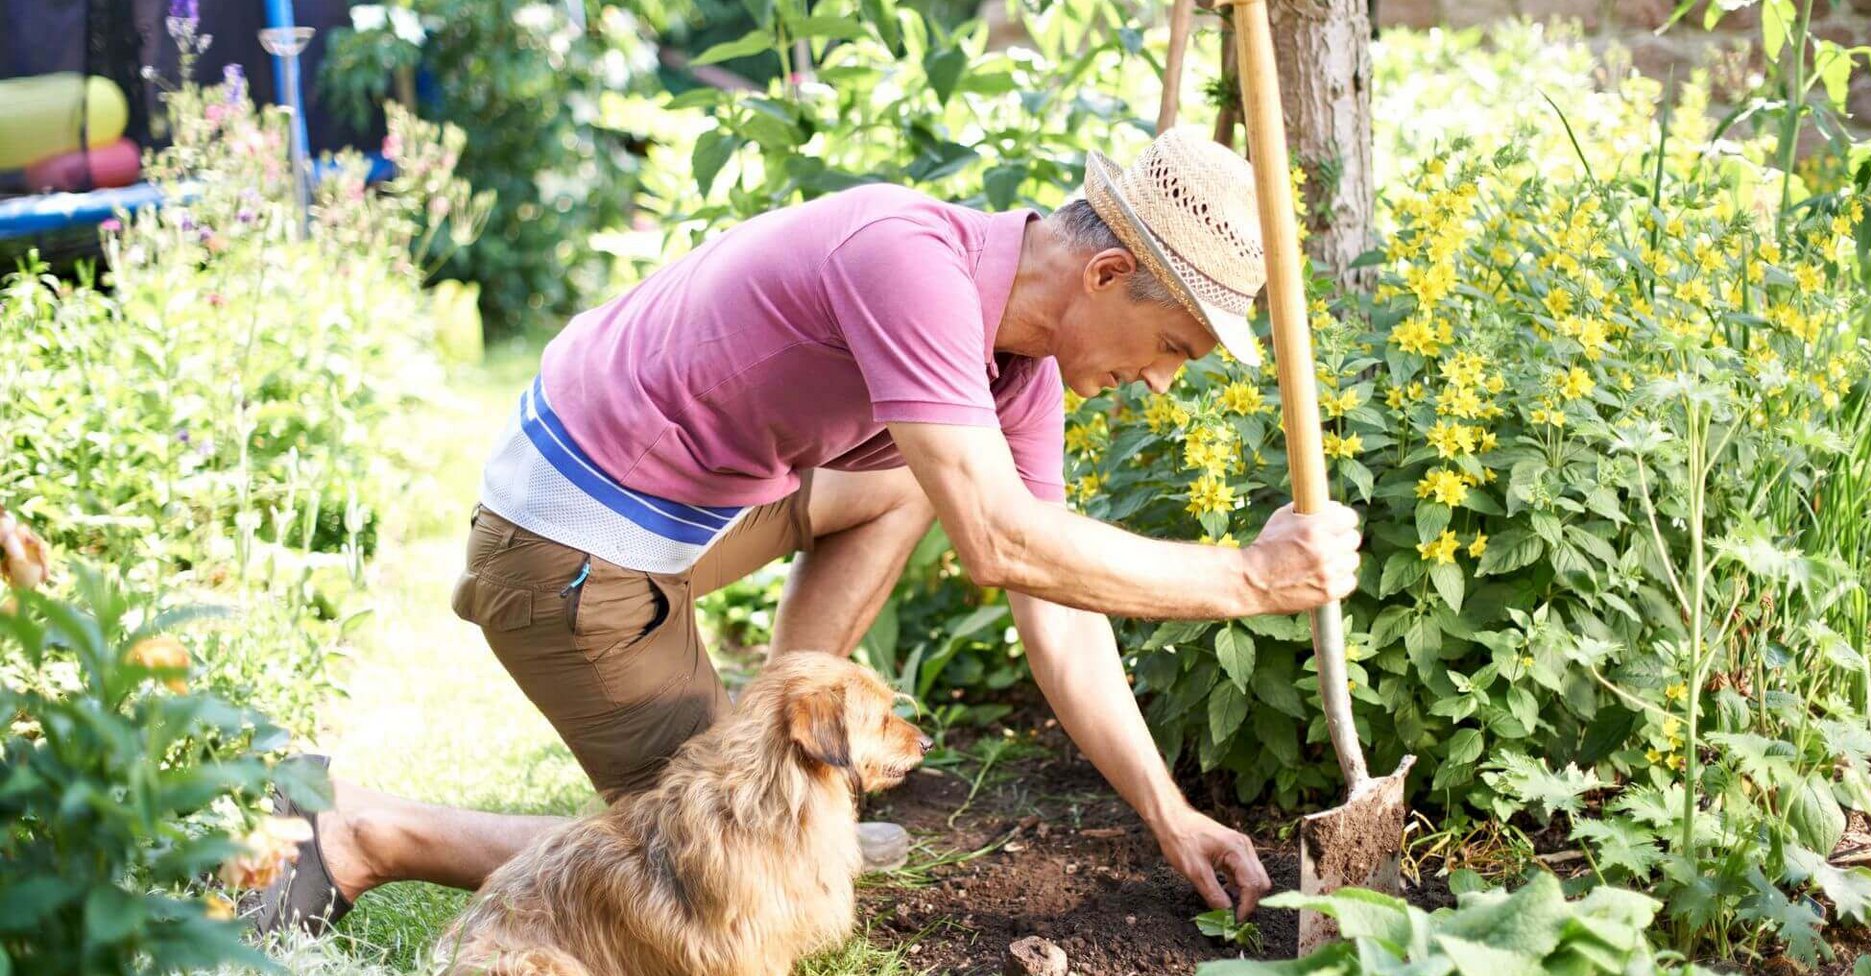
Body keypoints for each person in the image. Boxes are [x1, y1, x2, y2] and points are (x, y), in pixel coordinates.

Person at [261, 126, 1362, 932]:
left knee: (919, 480)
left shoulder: (1016, 373)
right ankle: (364, 830)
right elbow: (1001, 543)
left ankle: (786, 766)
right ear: (1108, 273)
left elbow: (1056, 610)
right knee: (733, 868)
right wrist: (1251, 579)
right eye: (1172, 348)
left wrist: (1169, 812)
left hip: (677, 519)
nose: (1162, 383)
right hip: (564, 546)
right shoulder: (911, 263)